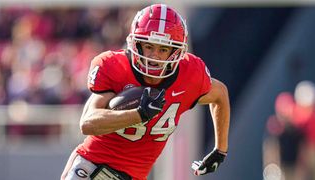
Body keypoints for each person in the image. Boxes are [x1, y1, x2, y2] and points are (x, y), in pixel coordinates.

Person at [61, 4, 230, 180]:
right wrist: (138, 114)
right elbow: (88, 123)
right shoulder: (115, 67)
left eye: (163, 49)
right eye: (149, 46)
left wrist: (220, 150)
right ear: (136, 44)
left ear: (176, 52)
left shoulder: (191, 74)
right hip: (94, 165)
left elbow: (220, 94)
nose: (154, 56)